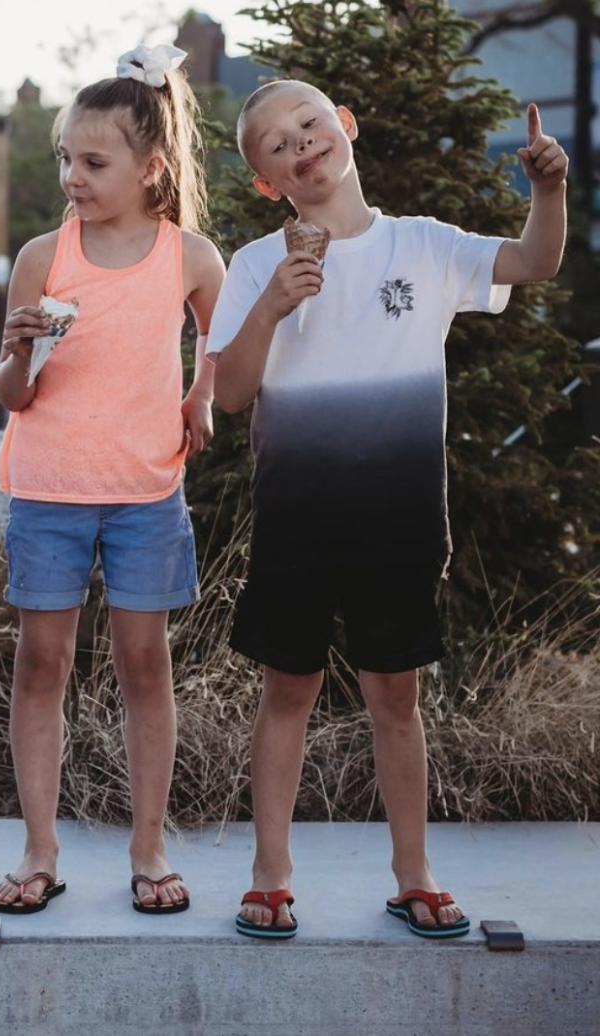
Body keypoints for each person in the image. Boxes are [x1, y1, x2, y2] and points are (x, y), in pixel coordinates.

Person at [207, 80, 568, 938]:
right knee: (286, 691)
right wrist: (272, 305)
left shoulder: (426, 246)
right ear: (267, 182)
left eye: (309, 123)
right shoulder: (258, 265)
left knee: (395, 697)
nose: (299, 143)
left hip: (399, 522)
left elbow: (534, 261)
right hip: (296, 521)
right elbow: (227, 392)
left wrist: (548, 190)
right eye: (275, 144)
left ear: (347, 124)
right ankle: (270, 874)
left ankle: (415, 872)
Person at [0, 44, 226, 916]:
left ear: (149, 166)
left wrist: (200, 395)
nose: (73, 177)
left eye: (93, 162)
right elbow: (11, 395)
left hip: (146, 491)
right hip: (49, 488)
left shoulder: (190, 256)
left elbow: (221, 345)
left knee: (143, 664)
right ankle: (40, 849)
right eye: (65, 159)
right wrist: (20, 354)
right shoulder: (42, 257)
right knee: (41, 665)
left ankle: (149, 846)